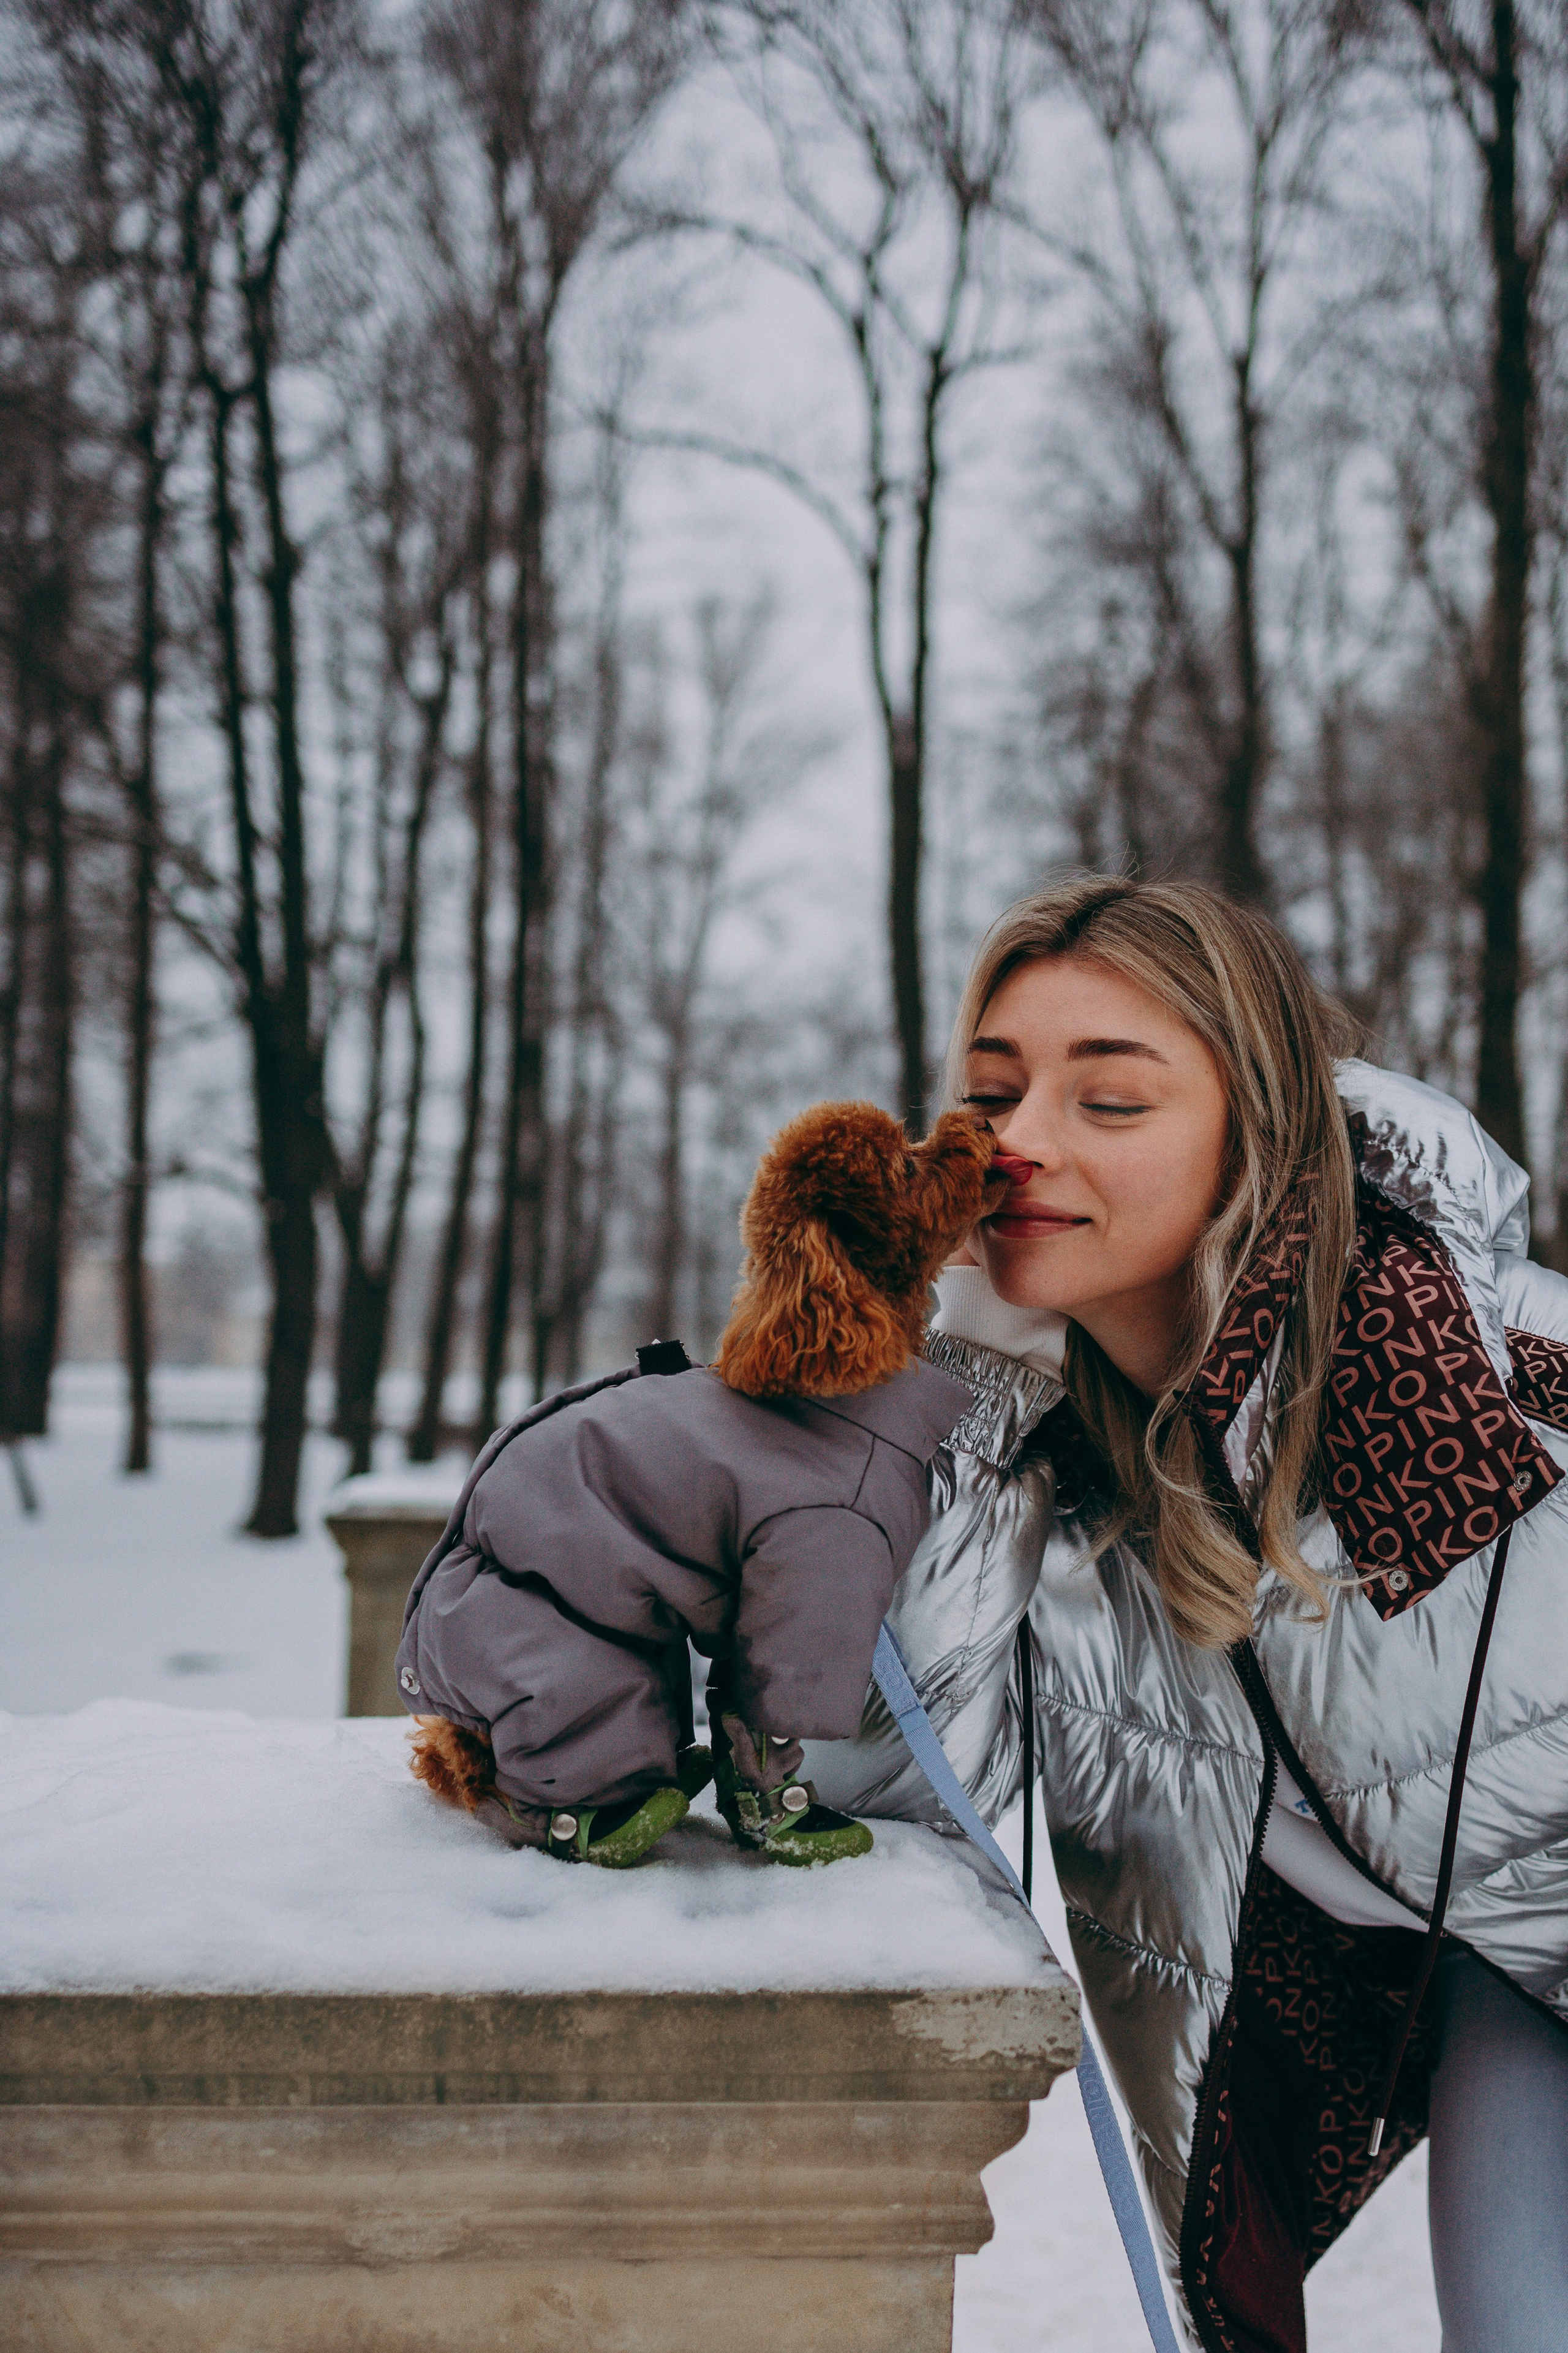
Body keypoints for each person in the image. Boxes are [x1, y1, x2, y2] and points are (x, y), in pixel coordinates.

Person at [805, 874, 1568, 2353]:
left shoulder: (1493, 1398)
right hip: (1501, 1986)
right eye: (988, 1095)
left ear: (1255, 1134)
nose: (1013, 1145)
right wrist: (953, 1381)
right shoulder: (1066, 1473)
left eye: (1110, 1101)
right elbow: (869, 1754)